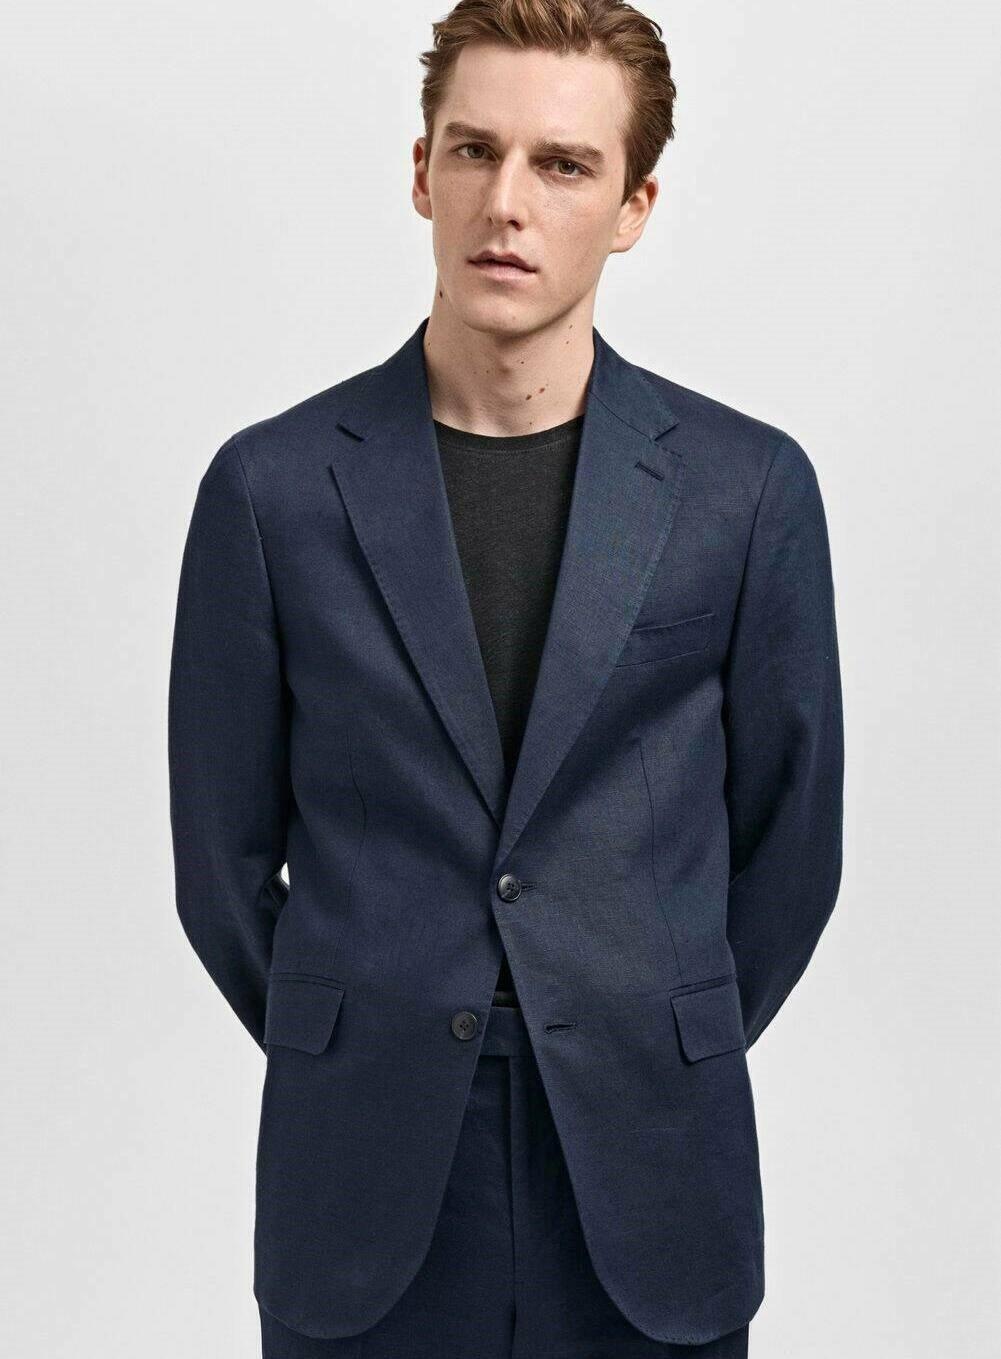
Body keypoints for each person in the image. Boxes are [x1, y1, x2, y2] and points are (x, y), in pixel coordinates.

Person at [167, 2, 844, 1356]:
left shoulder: (746, 490)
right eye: (474, 150)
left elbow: (792, 847)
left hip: (653, 1168)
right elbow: (220, 861)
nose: (507, 203)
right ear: (422, 171)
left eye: (563, 164)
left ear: (633, 206)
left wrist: (657, 1026)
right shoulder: (271, 490)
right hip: (362, 1182)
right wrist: (358, 1032)